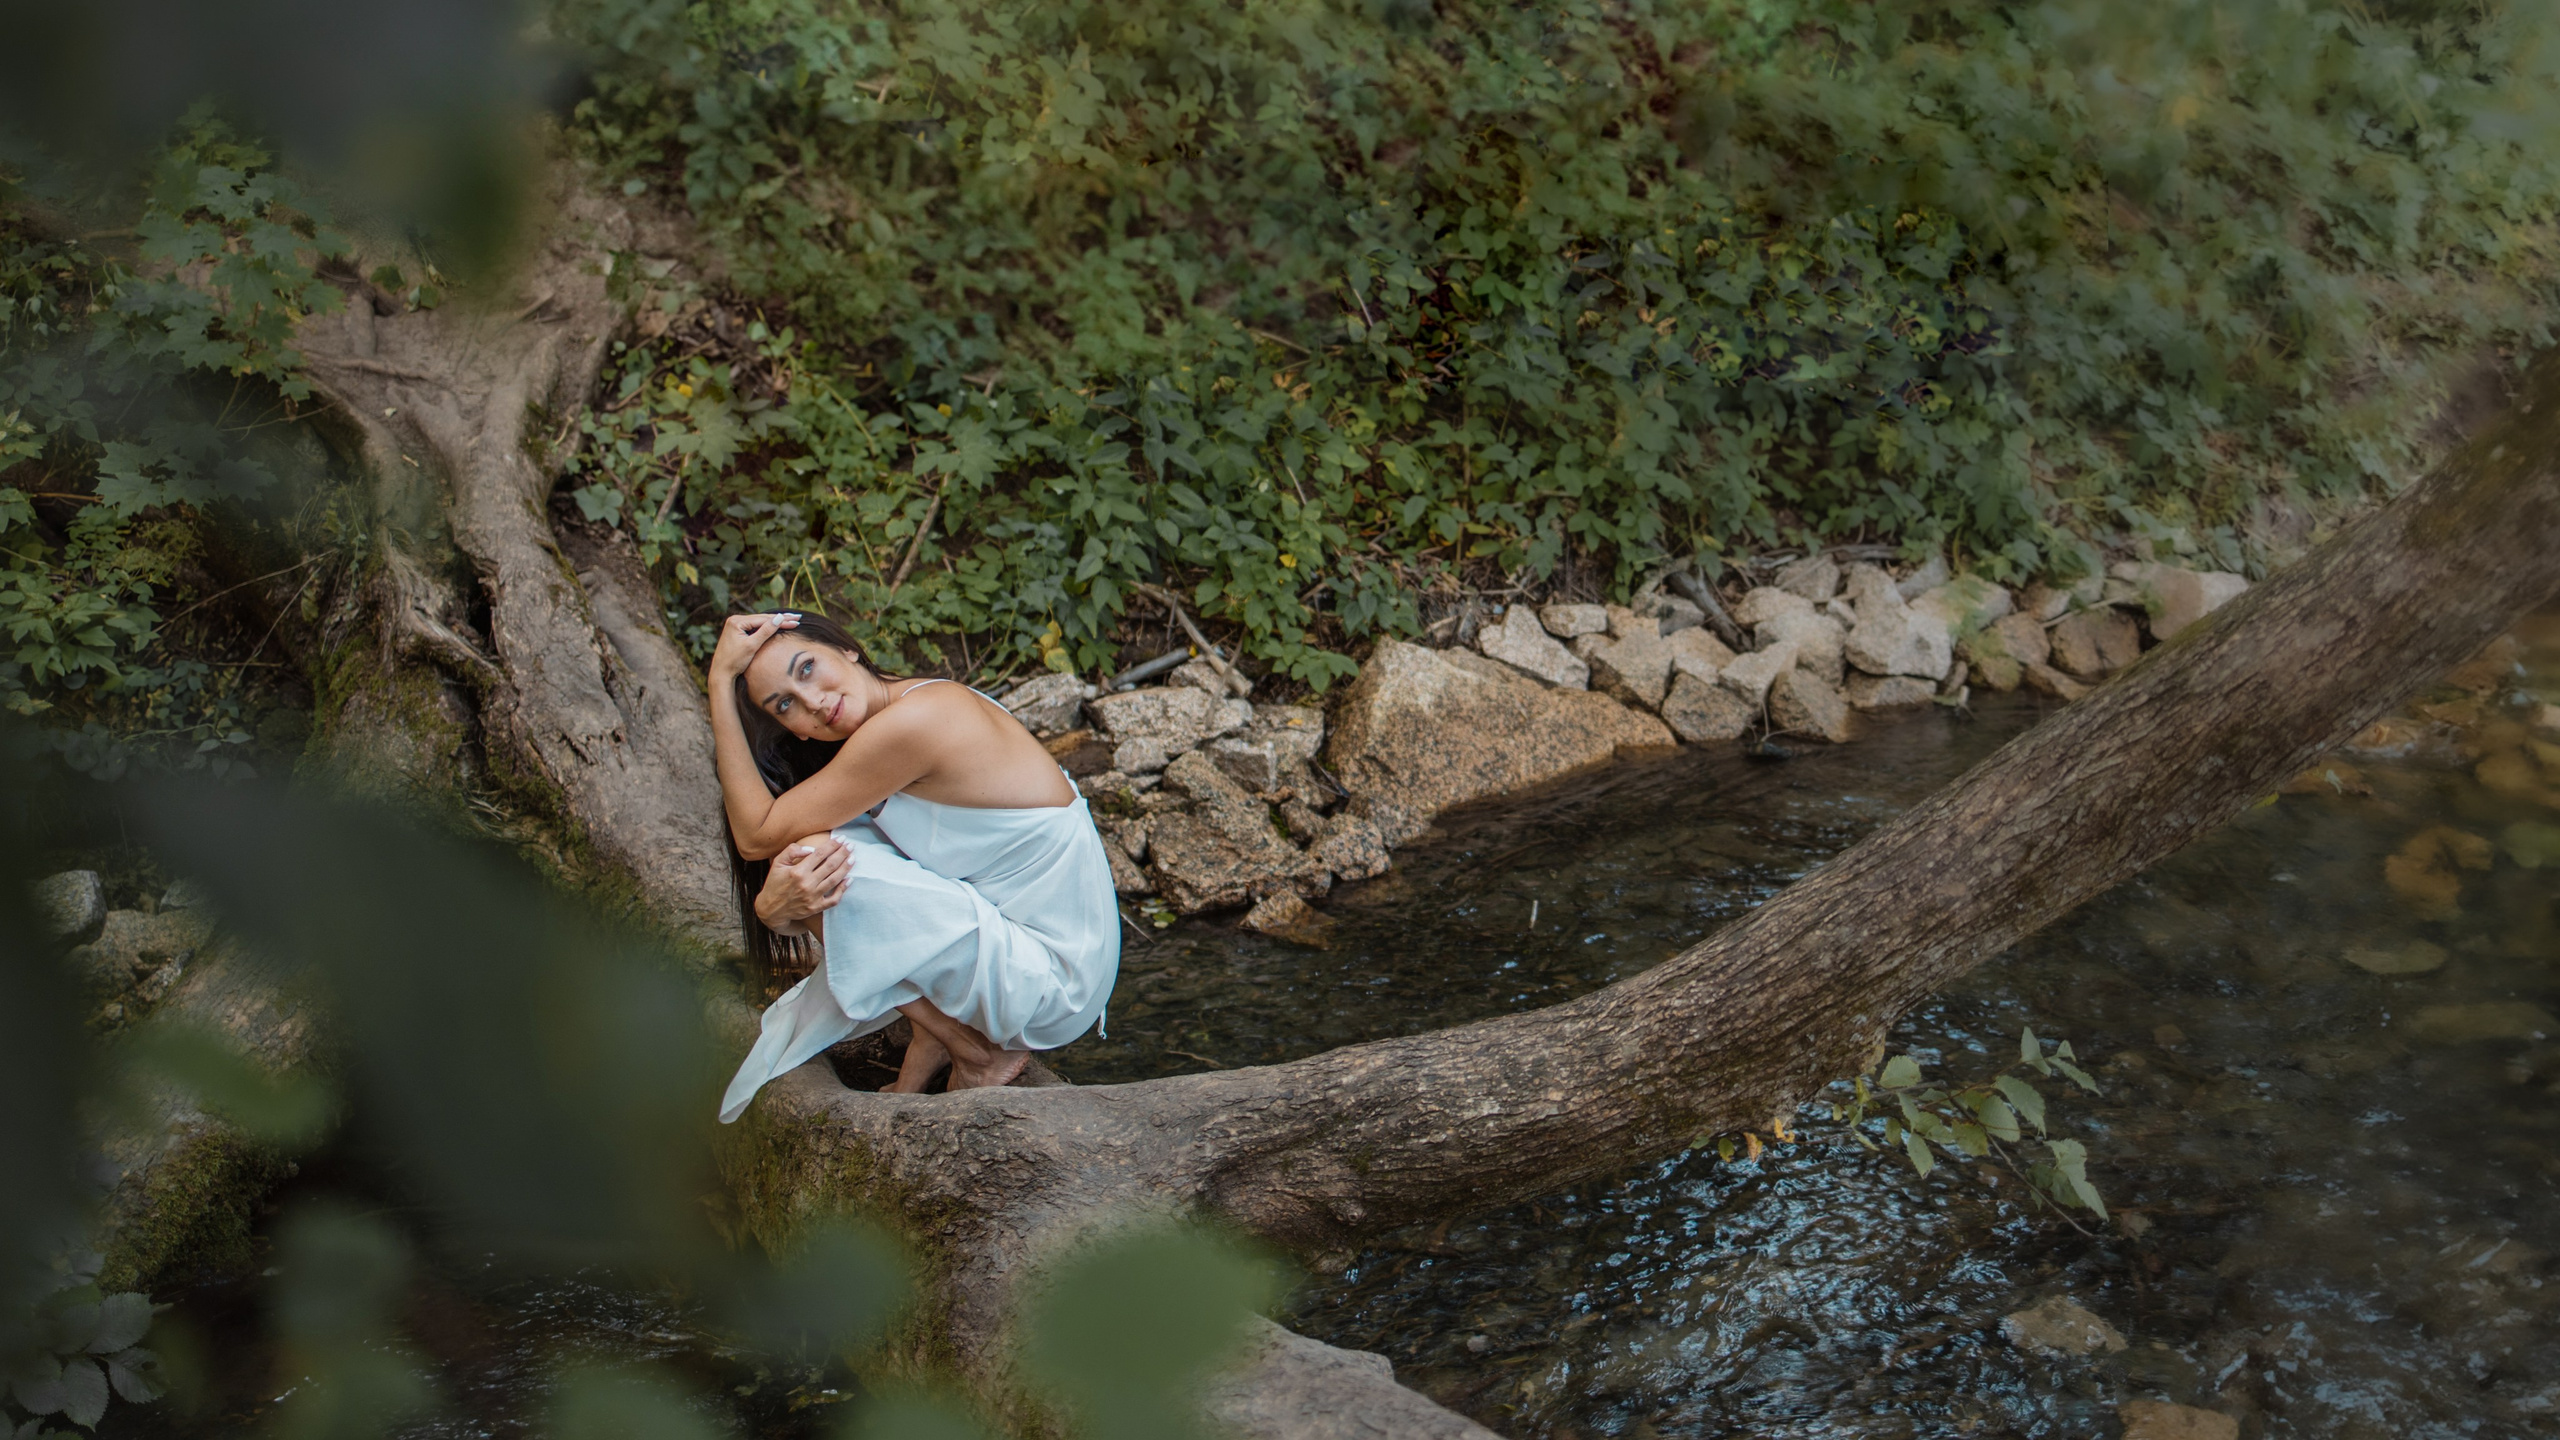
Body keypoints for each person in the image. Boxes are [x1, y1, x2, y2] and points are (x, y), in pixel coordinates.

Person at [707, 611, 1119, 1121]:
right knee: (814, 852)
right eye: (785, 704)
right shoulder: (906, 702)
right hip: (1045, 956)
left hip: (1054, 983)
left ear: (847, 648)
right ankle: (933, 1035)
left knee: (813, 857)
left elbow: (754, 835)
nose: (812, 702)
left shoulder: (914, 722)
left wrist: (720, 683)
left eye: (807, 668)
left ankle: (976, 1050)